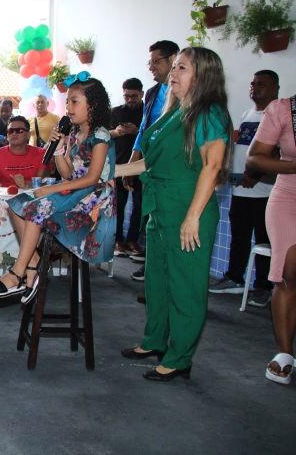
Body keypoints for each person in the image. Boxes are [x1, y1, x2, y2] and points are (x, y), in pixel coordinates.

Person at [119, 47, 231, 382]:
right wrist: (103, 172)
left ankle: (179, 357)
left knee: (185, 287)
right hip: (161, 210)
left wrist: (193, 216)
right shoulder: (174, 112)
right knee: (157, 282)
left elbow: (212, 166)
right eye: (175, 67)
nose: (173, 73)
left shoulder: (210, 113)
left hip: (188, 210)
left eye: (182, 67)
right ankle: (154, 341)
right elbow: (147, 163)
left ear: (203, 75)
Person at [0, 76, 115, 305]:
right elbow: (67, 173)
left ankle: (17, 272)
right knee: (17, 203)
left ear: (92, 105)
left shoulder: (100, 135)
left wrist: (53, 188)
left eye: (74, 102)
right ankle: (33, 263)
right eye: (67, 103)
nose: (68, 108)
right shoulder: (74, 134)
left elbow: (93, 178)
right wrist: (58, 149)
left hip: (94, 198)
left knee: (36, 207)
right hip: (74, 190)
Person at [209, 70, 278, 306]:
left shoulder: (277, 114)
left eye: (261, 84)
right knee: (239, 237)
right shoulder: (248, 113)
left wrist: (256, 175)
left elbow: (276, 151)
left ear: (275, 89)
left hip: (263, 192)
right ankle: (235, 278)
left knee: (264, 239)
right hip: (240, 190)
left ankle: (263, 287)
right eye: (252, 83)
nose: (254, 87)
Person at [246, 92, 296, 385]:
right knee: (288, 273)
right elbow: (255, 157)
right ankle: (285, 354)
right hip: (288, 196)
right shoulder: (284, 109)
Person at [124, 40, 180, 283]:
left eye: (156, 61)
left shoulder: (185, 95)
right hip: (149, 167)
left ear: (173, 60)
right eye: (150, 61)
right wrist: (130, 165)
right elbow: (144, 132)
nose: (151, 67)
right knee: (151, 218)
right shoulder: (152, 93)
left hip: (174, 170)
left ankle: (168, 275)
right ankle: (152, 269)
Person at [110, 78, 144, 259]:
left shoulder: (148, 112)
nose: (130, 99)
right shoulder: (115, 113)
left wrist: (137, 131)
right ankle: (118, 241)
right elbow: (104, 134)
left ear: (142, 94)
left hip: (141, 167)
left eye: (134, 96)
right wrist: (116, 131)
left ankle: (132, 240)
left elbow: (152, 136)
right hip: (119, 166)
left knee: (140, 205)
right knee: (118, 206)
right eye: (127, 96)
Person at [0, 115, 47, 188]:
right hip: (5, 197)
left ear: (28, 135)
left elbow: (42, 184)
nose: (14, 133)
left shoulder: (42, 154)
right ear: (7, 135)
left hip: (35, 196)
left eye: (19, 130)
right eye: (10, 131)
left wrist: (25, 184)